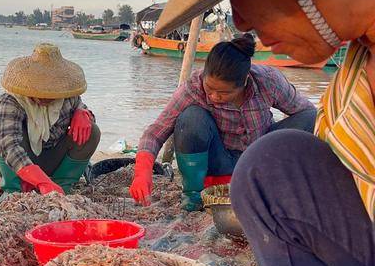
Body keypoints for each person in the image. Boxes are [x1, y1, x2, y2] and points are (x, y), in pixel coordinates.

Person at [154, 0, 375, 266]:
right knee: (276, 167)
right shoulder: (356, 68)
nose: (240, 22)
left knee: (275, 165)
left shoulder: (268, 82)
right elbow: (311, 259)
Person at [129, 34, 316, 211]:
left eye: (224, 93)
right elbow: (156, 132)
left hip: (259, 157)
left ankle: (275, 180)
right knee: (191, 118)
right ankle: (194, 195)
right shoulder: (193, 88)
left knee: (311, 118)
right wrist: (142, 173)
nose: (214, 96)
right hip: (219, 161)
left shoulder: (268, 81)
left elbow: (304, 112)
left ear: (244, 81)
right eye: (209, 88)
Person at [0, 43, 100, 194]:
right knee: (2, 141)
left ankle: (60, 188)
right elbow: (9, 146)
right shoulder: (12, 101)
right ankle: (14, 189)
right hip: (10, 160)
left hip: (48, 156)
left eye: (51, 92)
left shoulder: (68, 97)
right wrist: (41, 181)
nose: (45, 97)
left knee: (92, 131)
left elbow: (83, 111)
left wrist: (83, 114)